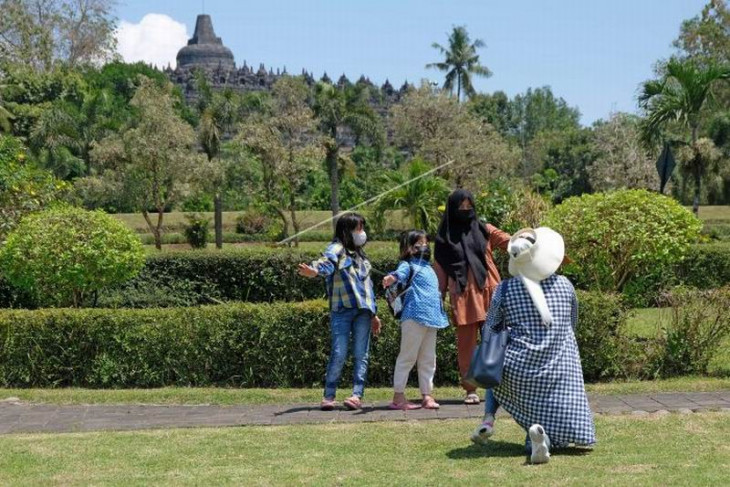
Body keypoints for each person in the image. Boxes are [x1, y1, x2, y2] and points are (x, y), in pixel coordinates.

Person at [470, 227, 596, 464]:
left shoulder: (504, 289)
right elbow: (572, 322)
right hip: (559, 369)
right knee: (556, 415)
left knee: (497, 366)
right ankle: (539, 439)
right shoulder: (565, 285)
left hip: (519, 370)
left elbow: (490, 329)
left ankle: (489, 419)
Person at [298, 213, 382, 411]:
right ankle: (329, 395)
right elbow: (326, 262)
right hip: (342, 310)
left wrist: (374, 314)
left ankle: (356, 395)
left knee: (362, 354)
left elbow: (368, 288)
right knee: (339, 352)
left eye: (362, 228)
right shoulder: (337, 248)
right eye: (358, 228)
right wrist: (315, 271)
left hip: (363, 312)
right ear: (347, 230)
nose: (362, 233)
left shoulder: (361, 256)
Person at [434, 189, 510, 404]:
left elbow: (509, 241)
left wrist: (529, 240)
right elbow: (439, 273)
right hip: (462, 295)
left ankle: (500, 388)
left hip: (491, 292)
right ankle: (471, 389)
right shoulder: (444, 240)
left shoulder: (485, 229)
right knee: (466, 344)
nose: (466, 211)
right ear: (452, 209)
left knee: (495, 341)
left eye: (470, 206)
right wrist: (437, 298)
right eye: (461, 207)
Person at [382, 230, 450, 410]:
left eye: (426, 243)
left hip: (431, 318)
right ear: (409, 247)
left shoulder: (429, 267)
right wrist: (392, 277)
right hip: (413, 316)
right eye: (419, 244)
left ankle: (427, 395)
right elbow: (400, 273)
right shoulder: (407, 264)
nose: (424, 247)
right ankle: (398, 396)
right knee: (408, 356)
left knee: (428, 358)